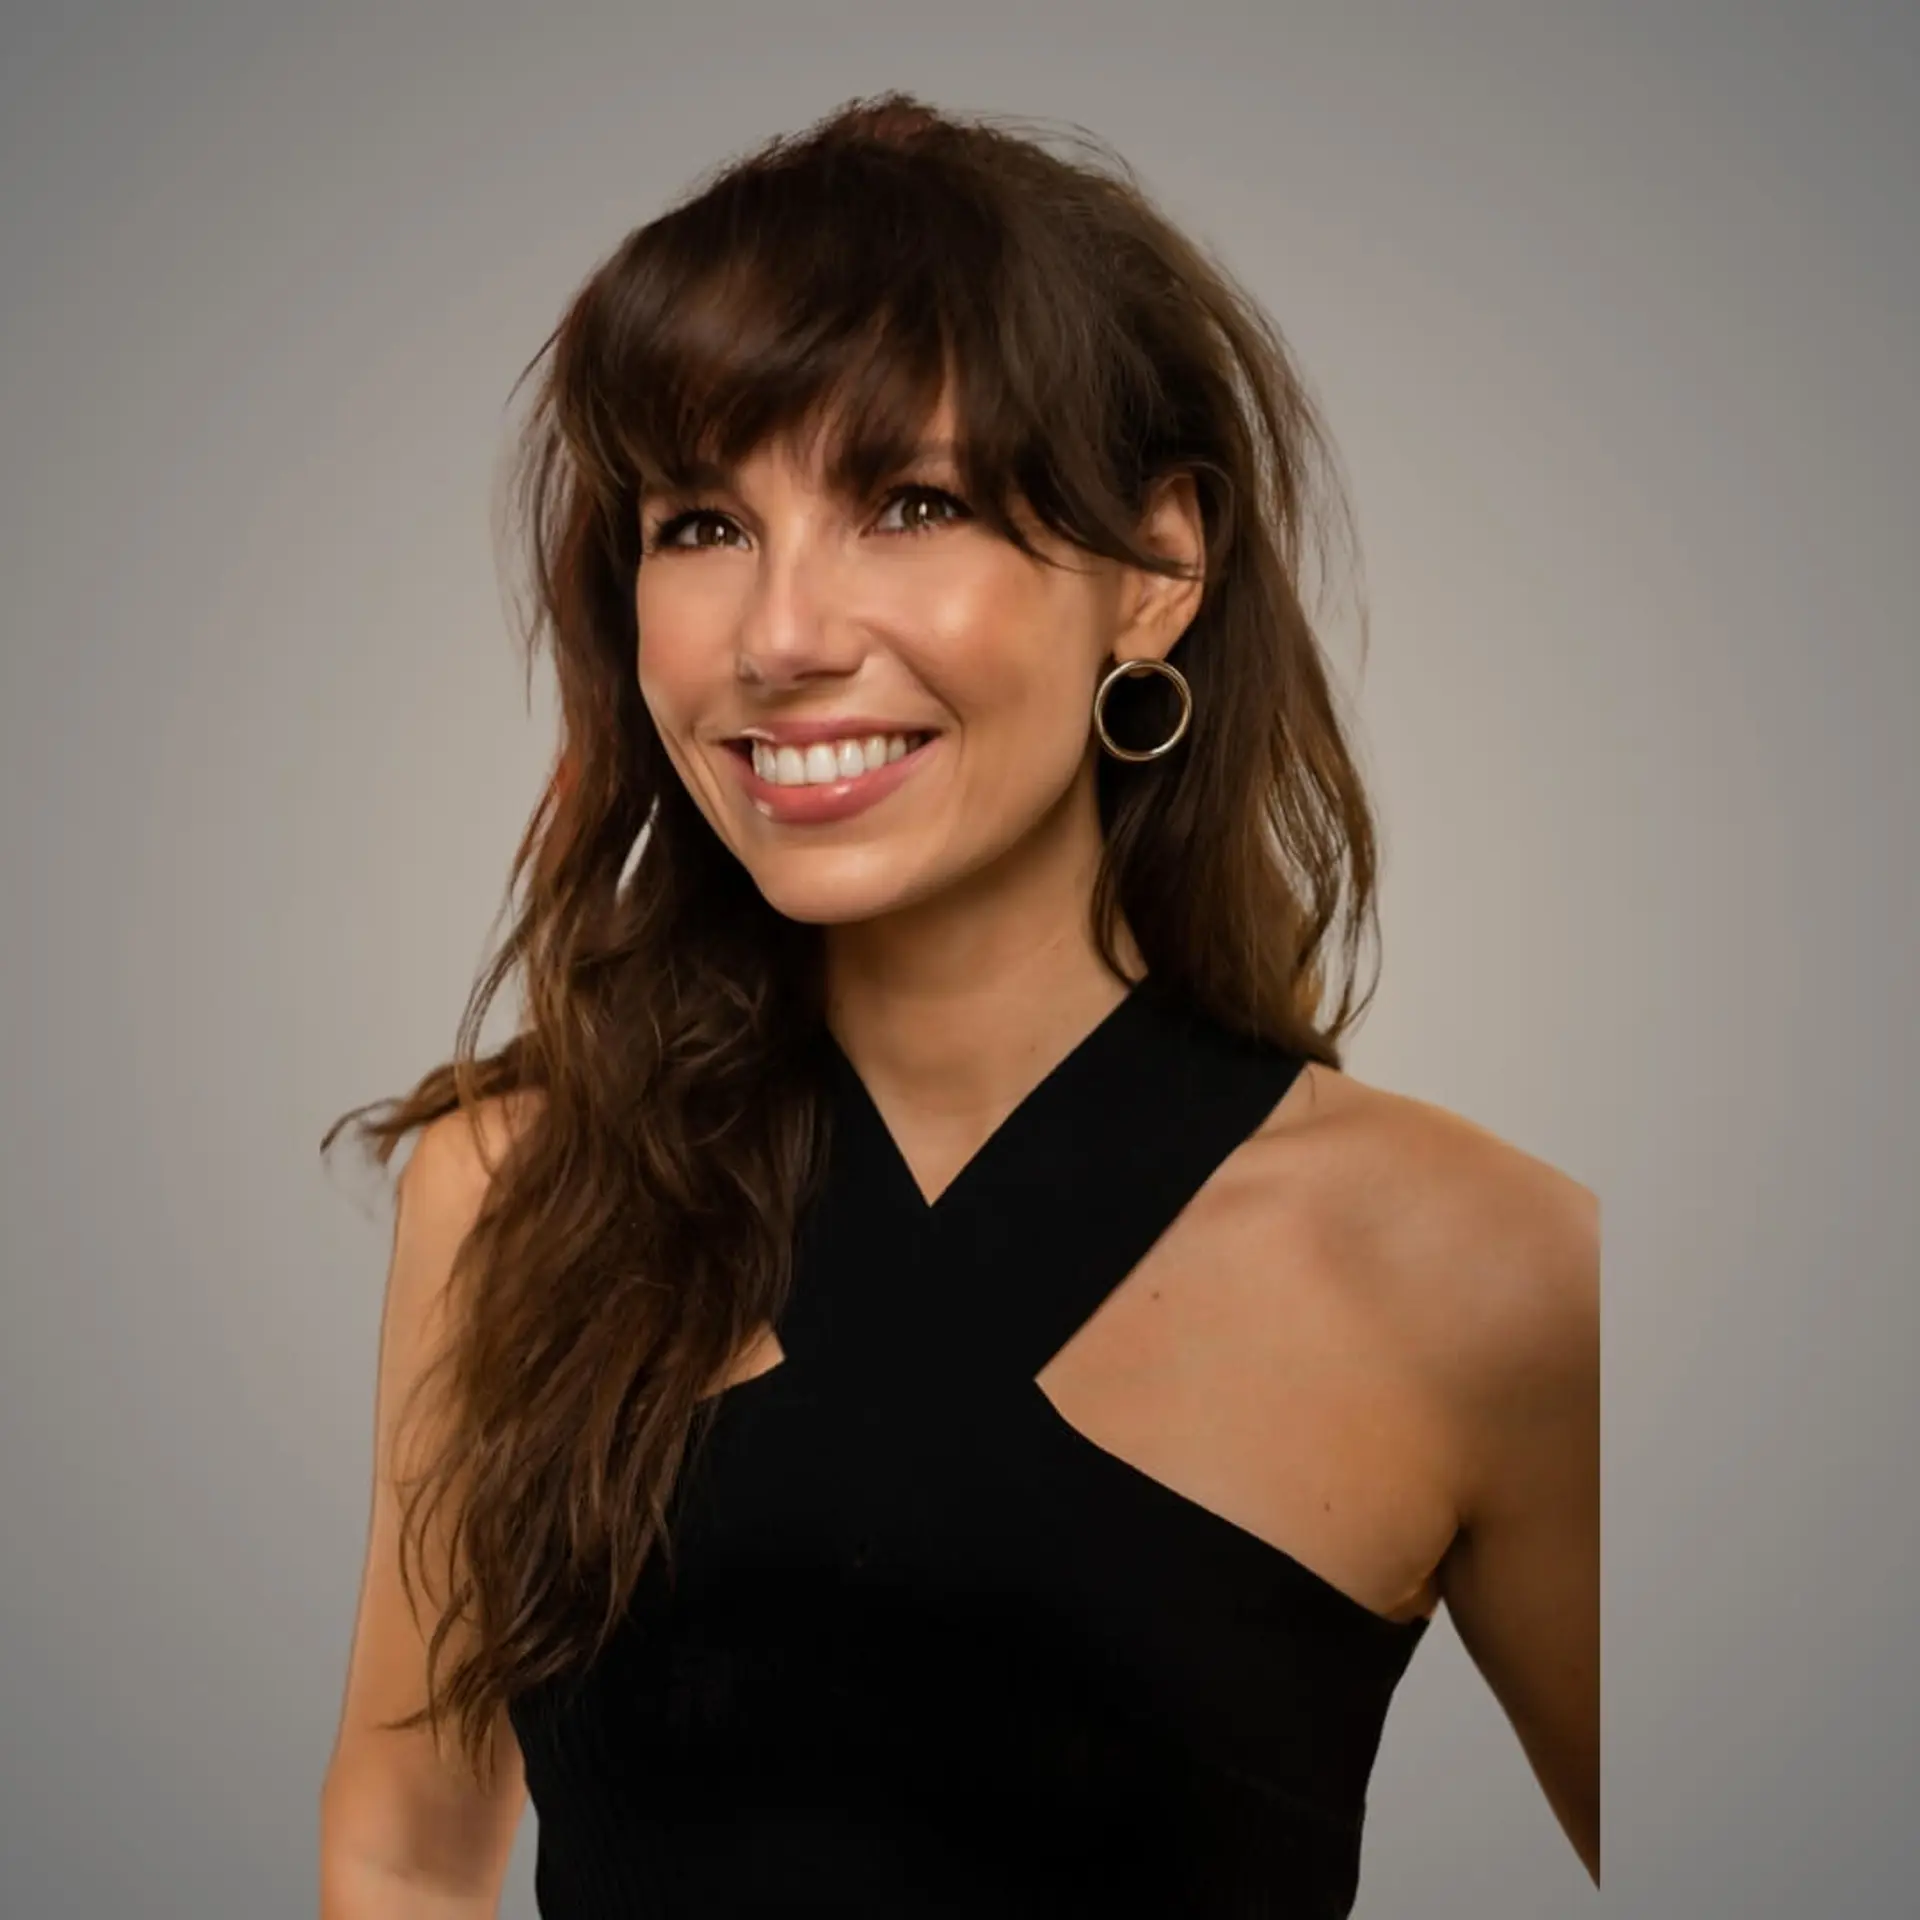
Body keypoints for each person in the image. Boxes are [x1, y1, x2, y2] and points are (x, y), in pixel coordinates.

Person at [317, 90, 1599, 1918]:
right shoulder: (517, 1190)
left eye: (908, 503)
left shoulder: (1494, 1275)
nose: (779, 635)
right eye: (700, 523)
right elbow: (404, 1850)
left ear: (1157, 571)